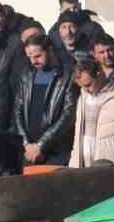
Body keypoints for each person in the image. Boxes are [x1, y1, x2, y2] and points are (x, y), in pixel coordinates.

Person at [12, 34, 76, 167]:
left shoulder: (67, 75)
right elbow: (18, 110)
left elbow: (69, 114)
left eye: (38, 56)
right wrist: (26, 144)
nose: (33, 61)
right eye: (30, 57)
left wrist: (41, 145)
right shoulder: (27, 74)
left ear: (50, 50)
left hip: (56, 151)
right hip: (29, 152)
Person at [67, 55, 114, 168]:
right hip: (82, 163)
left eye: (88, 85)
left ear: (99, 75)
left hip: (108, 163)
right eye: (81, 86)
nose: (86, 89)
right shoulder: (83, 96)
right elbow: (78, 133)